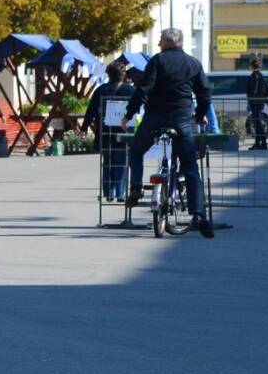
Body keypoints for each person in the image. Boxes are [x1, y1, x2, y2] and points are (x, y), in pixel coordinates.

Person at [120, 28, 214, 238]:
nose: (159, 44)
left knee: (136, 151)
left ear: (167, 42)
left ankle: (136, 186)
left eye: (160, 40)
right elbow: (205, 93)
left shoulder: (157, 61)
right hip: (181, 119)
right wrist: (200, 114)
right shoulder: (193, 63)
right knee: (190, 167)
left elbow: (143, 90)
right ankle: (197, 214)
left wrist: (129, 115)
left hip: (154, 117)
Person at [83, 62, 135, 202]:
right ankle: (120, 192)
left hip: (105, 132)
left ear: (108, 74)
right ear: (124, 75)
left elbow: (91, 110)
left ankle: (108, 191)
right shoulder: (131, 91)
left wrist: (84, 127)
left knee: (107, 162)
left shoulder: (101, 90)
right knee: (121, 163)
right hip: (123, 133)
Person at [246, 57, 268, 150]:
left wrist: (250, 101)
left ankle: (263, 144)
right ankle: (259, 144)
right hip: (259, 102)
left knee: (258, 123)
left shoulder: (254, 76)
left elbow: (252, 91)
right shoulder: (261, 76)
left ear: (252, 66)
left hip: (255, 102)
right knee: (257, 123)